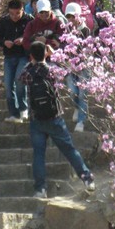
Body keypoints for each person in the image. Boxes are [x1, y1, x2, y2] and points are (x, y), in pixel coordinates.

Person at [21, 41, 95, 199]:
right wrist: (52, 55)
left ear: (31, 55)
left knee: (39, 154)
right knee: (69, 150)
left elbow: (21, 79)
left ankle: (40, 189)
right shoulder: (52, 70)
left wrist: (33, 61)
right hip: (55, 117)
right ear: (45, 53)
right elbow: (68, 70)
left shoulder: (28, 72)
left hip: (36, 119)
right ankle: (87, 179)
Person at [0, 0, 33, 123]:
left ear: (22, 10)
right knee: (8, 85)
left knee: (19, 80)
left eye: (17, 13)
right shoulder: (4, 21)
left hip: (23, 55)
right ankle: (14, 113)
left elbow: (34, 36)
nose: (14, 16)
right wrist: (4, 42)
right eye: (11, 14)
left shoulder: (29, 20)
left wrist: (23, 40)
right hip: (9, 56)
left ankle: (23, 108)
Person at [63, 3, 91, 132]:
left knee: (82, 94)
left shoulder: (86, 31)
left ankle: (81, 121)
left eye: (73, 16)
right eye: (68, 17)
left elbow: (88, 50)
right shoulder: (66, 30)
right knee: (73, 91)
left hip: (83, 66)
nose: (71, 20)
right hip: (70, 66)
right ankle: (76, 107)